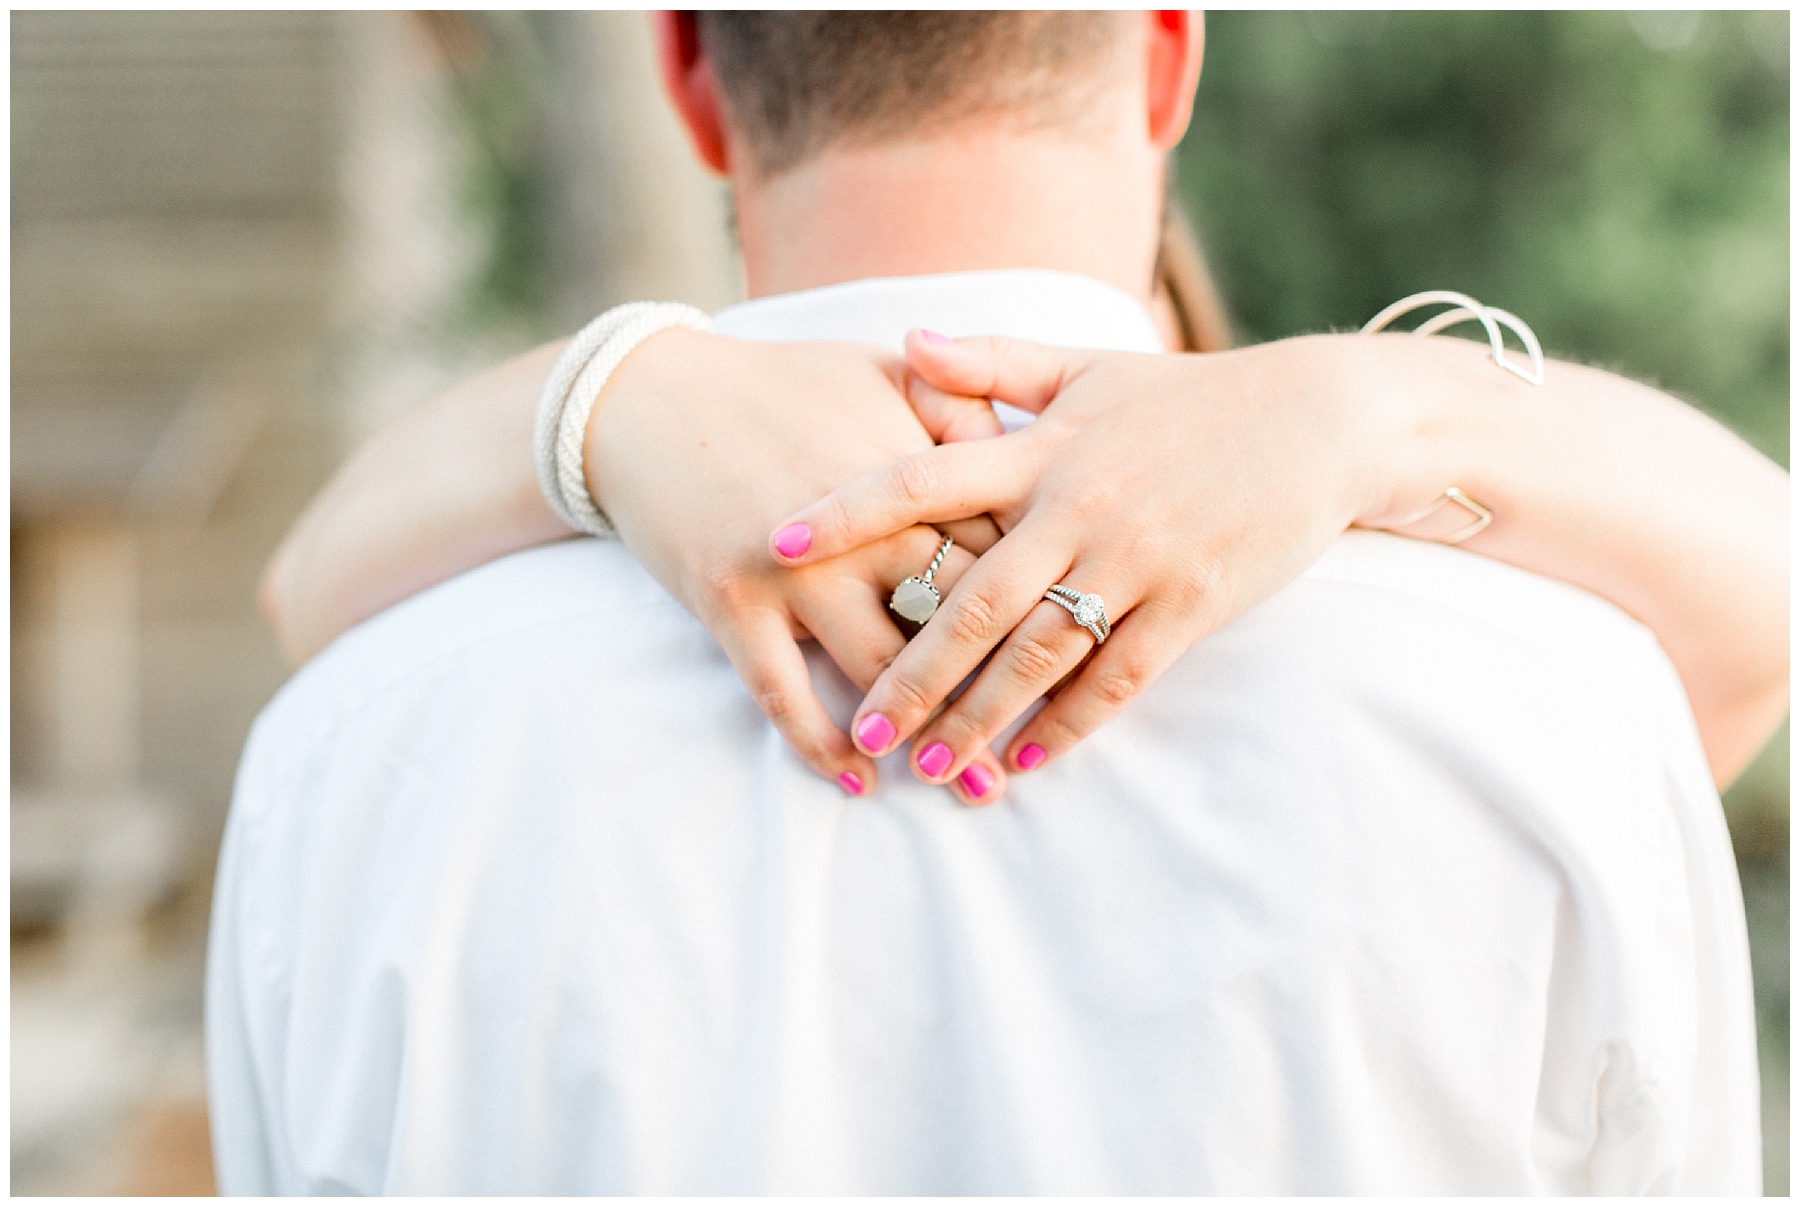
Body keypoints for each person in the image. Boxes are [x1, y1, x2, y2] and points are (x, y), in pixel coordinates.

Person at [209, 12, 1772, 1193]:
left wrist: (609, 389)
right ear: (1169, 57)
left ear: (687, 74)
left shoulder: (349, 745)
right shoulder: (1557, 699)